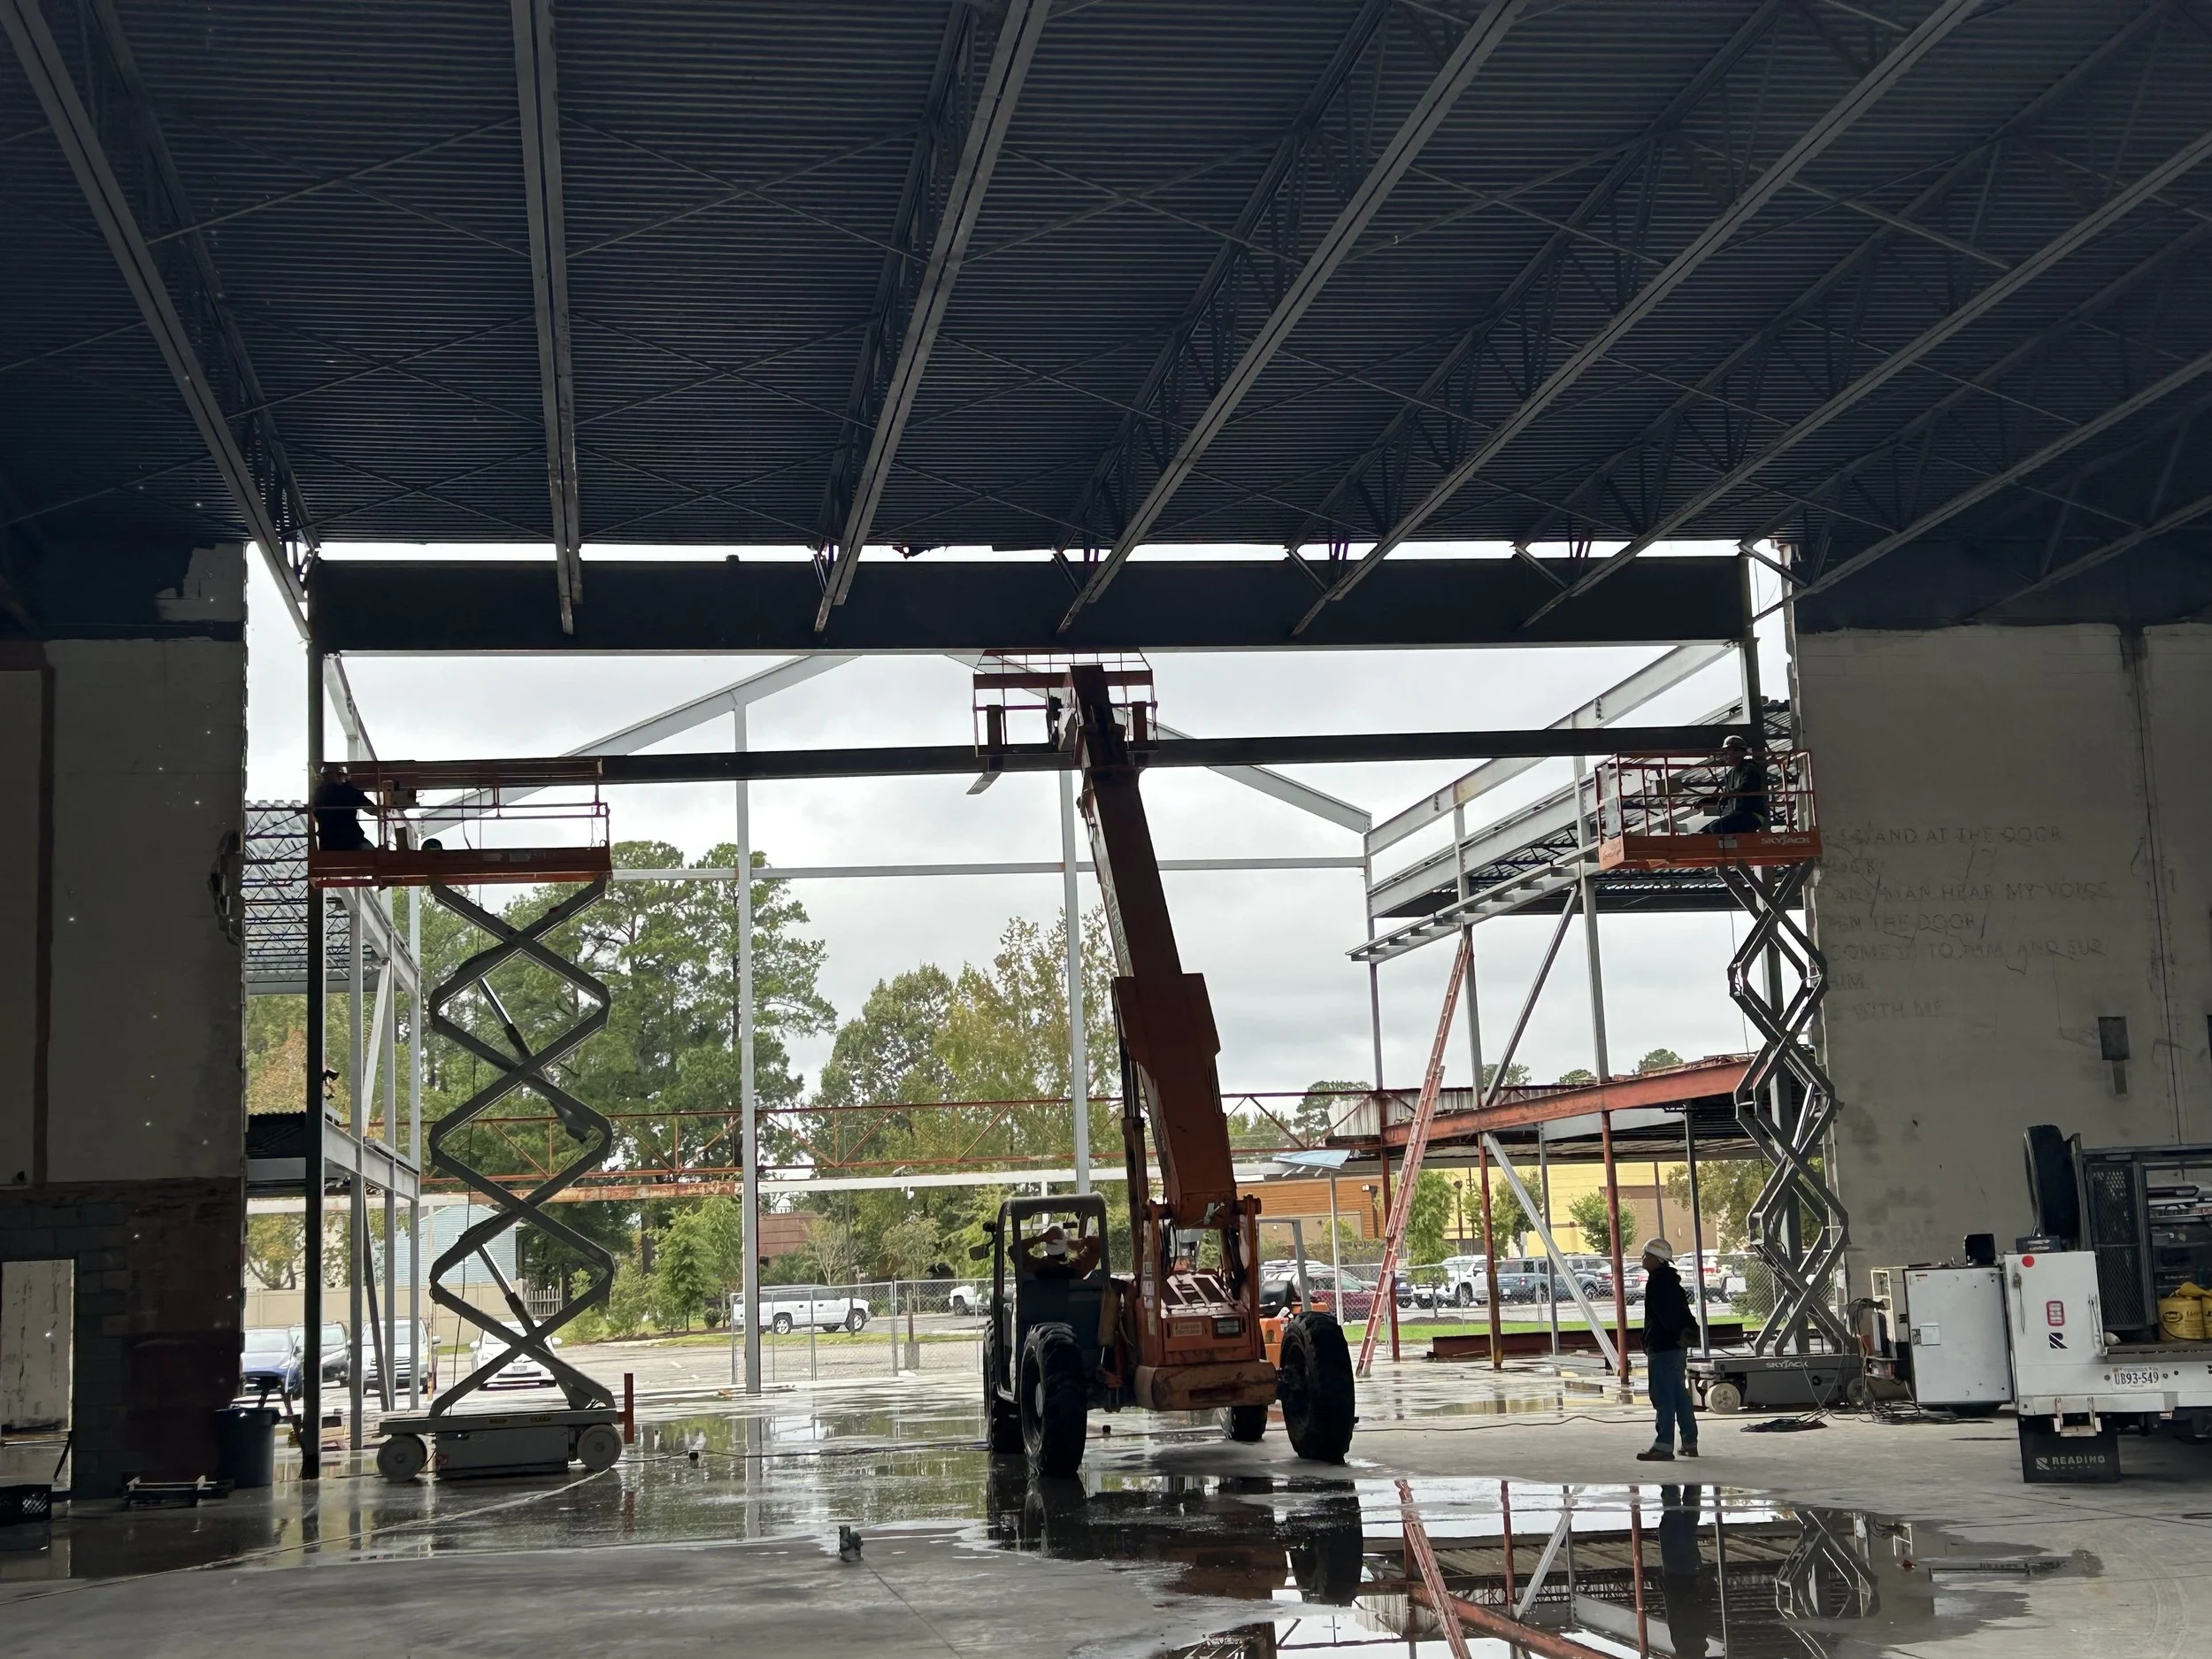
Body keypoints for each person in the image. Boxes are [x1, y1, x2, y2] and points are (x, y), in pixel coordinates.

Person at [1636, 1237, 1700, 1462]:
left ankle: (1663, 1445)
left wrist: (1652, 1340)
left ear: (1656, 1259)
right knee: (1679, 1395)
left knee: (1663, 1396)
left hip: (1663, 1347)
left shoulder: (1657, 1283)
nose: (1642, 1259)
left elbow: (1664, 1317)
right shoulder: (1671, 1282)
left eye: (1646, 1255)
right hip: (1674, 1348)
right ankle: (1689, 1440)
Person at [1701, 735, 1770, 834]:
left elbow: (1746, 787)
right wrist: (1706, 801)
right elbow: (1726, 794)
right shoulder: (1730, 774)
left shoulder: (1749, 769)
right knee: (1704, 832)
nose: (1727, 754)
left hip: (1752, 815)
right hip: (1737, 816)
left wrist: (1727, 796)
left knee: (1715, 827)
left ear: (1741, 752)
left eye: (1731, 750)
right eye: (1727, 751)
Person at [311, 777, 376, 852]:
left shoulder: (318, 794)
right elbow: (370, 809)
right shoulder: (349, 791)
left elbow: (314, 816)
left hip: (327, 844)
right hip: (352, 840)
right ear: (343, 777)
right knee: (372, 852)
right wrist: (380, 811)